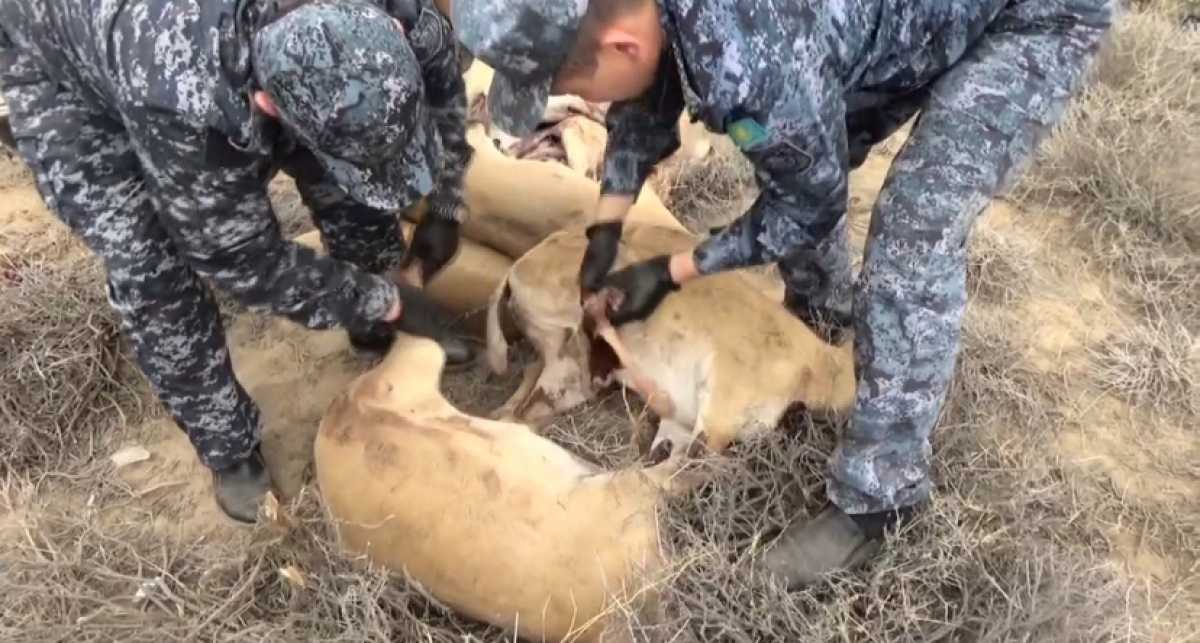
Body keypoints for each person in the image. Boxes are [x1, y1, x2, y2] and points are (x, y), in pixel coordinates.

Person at [453, 0, 1113, 587]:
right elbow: (644, 106)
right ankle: (823, 317)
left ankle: (878, 496)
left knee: (915, 223)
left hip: (1031, 16)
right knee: (803, 153)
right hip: (888, 23)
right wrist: (605, 232)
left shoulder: (747, 65)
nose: (580, 99)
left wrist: (672, 271)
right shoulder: (658, 23)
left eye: (573, 86)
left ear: (622, 43)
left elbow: (811, 207)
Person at [0, 0, 477, 523]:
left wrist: (449, 198)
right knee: (150, 264)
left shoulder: (390, 15)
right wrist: (387, 300)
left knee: (349, 172)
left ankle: (374, 328)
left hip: (204, 53)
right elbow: (241, 259)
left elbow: (440, 77)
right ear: (268, 104)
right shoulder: (181, 89)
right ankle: (226, 445)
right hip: (71, 82)